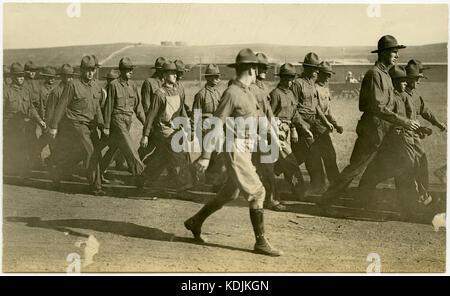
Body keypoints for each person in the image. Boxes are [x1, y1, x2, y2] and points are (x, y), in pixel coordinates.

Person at [185, 48, 283, 256]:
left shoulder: (249, 92)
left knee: (230, 193)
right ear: (251, 69)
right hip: (235, 148)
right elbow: (216, 125)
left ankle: (196, 221)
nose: (259, 70)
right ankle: (261, 242)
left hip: (247, 147)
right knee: (258, 192)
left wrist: (275, 136)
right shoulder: (232, 93)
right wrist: (205, 156)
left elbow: (258, 119)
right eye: (257, 67)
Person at [318, 35, 419, 207]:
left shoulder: (386, 76)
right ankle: (326, 201)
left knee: (392, 164)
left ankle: (373, 200)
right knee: (355, 168)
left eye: (397, 52)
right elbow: (377, 107)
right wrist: (404, 122)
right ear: (384, 53)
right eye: (394, 52)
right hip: (372, 132)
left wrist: (407, 122)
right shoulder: (374, 75)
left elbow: (391, 105)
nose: (397, 55)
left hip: (384, 131)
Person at [357, 65, 425, 219]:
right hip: (387, 142)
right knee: (375, 174)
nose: (404, 84)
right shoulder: (390, 99)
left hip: (397, 143)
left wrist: (418, 129)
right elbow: (387, 118)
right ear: (392, 82)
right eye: (400, 81)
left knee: (402, 173)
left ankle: (408, 210)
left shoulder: (402, 97)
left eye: (405, 81)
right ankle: (361, 202)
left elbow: (407, 119)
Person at [48, 55, 105, 195]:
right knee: (91, 152)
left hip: (90, 126)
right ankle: (96, 187)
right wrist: (54, 126)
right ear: (81, 70)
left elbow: (97, 108)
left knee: (82, 153)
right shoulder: (73, 85)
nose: (91, 73)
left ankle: (57, 171)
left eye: (93, 70)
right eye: (87, 70)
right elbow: (61, 106)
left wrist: (103, 125)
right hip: (76, 125)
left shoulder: (96, 86)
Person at [138, 61, 193, 192]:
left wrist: (188, 127)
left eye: (175, 73)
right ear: (165, 75)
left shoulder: (177, 91)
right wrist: (145, 135)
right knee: (178, 154)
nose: (175, 75)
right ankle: (183, 183)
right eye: (172, 73)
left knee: (162, 158)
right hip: (164, 131)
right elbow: (151, 116)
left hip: (176, 130)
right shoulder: (159, 93)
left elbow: (182, 112)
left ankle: (144, 178)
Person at [403, 62, 446, 203]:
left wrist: (438, 123)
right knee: (409, 165)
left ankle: (421, 195)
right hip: (401, 137)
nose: (418, 82)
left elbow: (424, 111)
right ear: (407, 78)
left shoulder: (414, 95)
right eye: (416, 79)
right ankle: (414, 197)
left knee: (421, 162)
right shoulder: (400, 95)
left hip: (413, 136)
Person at [291, 52, 334, 195]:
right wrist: (300, 126)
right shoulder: (298, 83)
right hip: (302, 122)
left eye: (317, 68)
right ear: (306, 68)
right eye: (314, 68)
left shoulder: (311, 84)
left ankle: (316, 183)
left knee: (304, 154)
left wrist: (325, 121)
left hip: (313, 122)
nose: (317, 71)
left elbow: (316, 106)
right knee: (311, 153)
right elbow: (293, 107)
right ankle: (317, 184)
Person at [101, 57, 146, 187]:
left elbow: (138, 107)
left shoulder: (132, 85)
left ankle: (97, 171)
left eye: (132, 69)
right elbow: (109, 106)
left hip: (127, 121)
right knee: (130, 147)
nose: (131, 71)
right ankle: (141, 176)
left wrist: (145, 123)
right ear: (121, 70)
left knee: (114, 148)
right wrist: (106, 126)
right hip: (117, 120)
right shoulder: (113, 85)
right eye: (128, 69)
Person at [249, 52, 285, 211]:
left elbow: (267, 112)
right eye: (261, 68)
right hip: (254, 134)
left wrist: (275, 128)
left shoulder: (263, 87)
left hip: (264, 133)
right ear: (253, 68)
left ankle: (267, 198)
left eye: (266, 68)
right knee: (261, 168)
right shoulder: (249, 87)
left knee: (263, 168)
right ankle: (270, 199)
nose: (265, 70)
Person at [268, 63, 307, 199]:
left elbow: (294, 114)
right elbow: (269, 116)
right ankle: (300, 193)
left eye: (293, 78)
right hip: (277, 132)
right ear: (282, 78)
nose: (292, 81)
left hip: (288, 131)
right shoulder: (275, 94)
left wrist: (301, 128)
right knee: (290, 162)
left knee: (278, 164)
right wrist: (275, 132)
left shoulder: (291, 94)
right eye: (289, 78)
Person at [3, 62, 46, 177]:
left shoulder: (26, 91)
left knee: (23, 147)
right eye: (18, 76)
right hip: (9, 127)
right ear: (12, 77)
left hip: (22, 125)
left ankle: (21, 172)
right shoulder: (6, 92)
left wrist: (40, 121)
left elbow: (31, 108)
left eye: (22, 76)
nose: (21, 78)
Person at [192, 64, 226, 190]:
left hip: (218, 128)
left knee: (218, 156)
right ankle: (196, 173)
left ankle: (214, 183)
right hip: (206, 130)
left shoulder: (219, 93)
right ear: (209, 78)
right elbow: (196, 115)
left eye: (219, 77)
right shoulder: (201, 95)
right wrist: (196, 133)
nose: (218, 79)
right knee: (208, 155)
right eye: (216, 77)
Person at [39, 64, 76, 167]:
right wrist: (49, 128)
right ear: (62, 77)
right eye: (67, 76)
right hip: (57, 126)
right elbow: (50, 111)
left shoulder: (73, 89)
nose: (70, 79)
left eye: (71, 76)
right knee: (56, 149)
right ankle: (53, 171)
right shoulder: (56, 92)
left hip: (69, 125)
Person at [315, 61, 344, 185]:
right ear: (319, 74)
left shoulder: (326, 89)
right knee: (319, 157)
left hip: (324, 126)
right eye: (326, 74)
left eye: (330, 74)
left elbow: (328, 110)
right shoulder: (314, 88)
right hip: (315, 126)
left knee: (330, 156)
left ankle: (335, 184)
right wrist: (326, 122)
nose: (328, 77)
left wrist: (336, 124)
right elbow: (316, 108)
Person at [139, 56, 166, 161]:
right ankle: (135, 166)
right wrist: (149, 124)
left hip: (162, 122)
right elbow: (146, 105)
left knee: (161, 147)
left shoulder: (164, 83)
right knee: (147, 147)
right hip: (153, 122)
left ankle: (146, 163)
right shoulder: (149, 82)